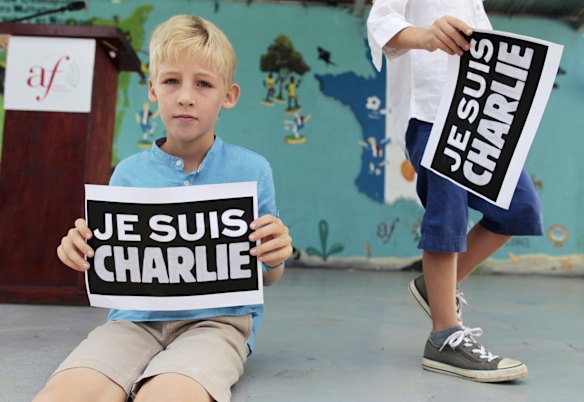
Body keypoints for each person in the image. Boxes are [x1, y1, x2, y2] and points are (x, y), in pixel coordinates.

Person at [33, 14, 292, 402]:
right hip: (133, 323)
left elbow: (268, 276)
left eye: (203, 83)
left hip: (218, 324)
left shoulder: (253, 171)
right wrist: (77, 250)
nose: (186, 96)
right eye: (171, 81)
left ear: (229, 95)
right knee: (65, 394)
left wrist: (276, 255)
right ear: (153, 90)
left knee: (169, 395)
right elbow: (106, 259)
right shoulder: (127, 174)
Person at [367, 0, 543, 382]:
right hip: (430, 113)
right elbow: (382, 22)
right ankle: (444, 337)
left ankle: (436, 287)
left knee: (520, 208)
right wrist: (429, 37)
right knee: (447, 214)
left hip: (481, 113)